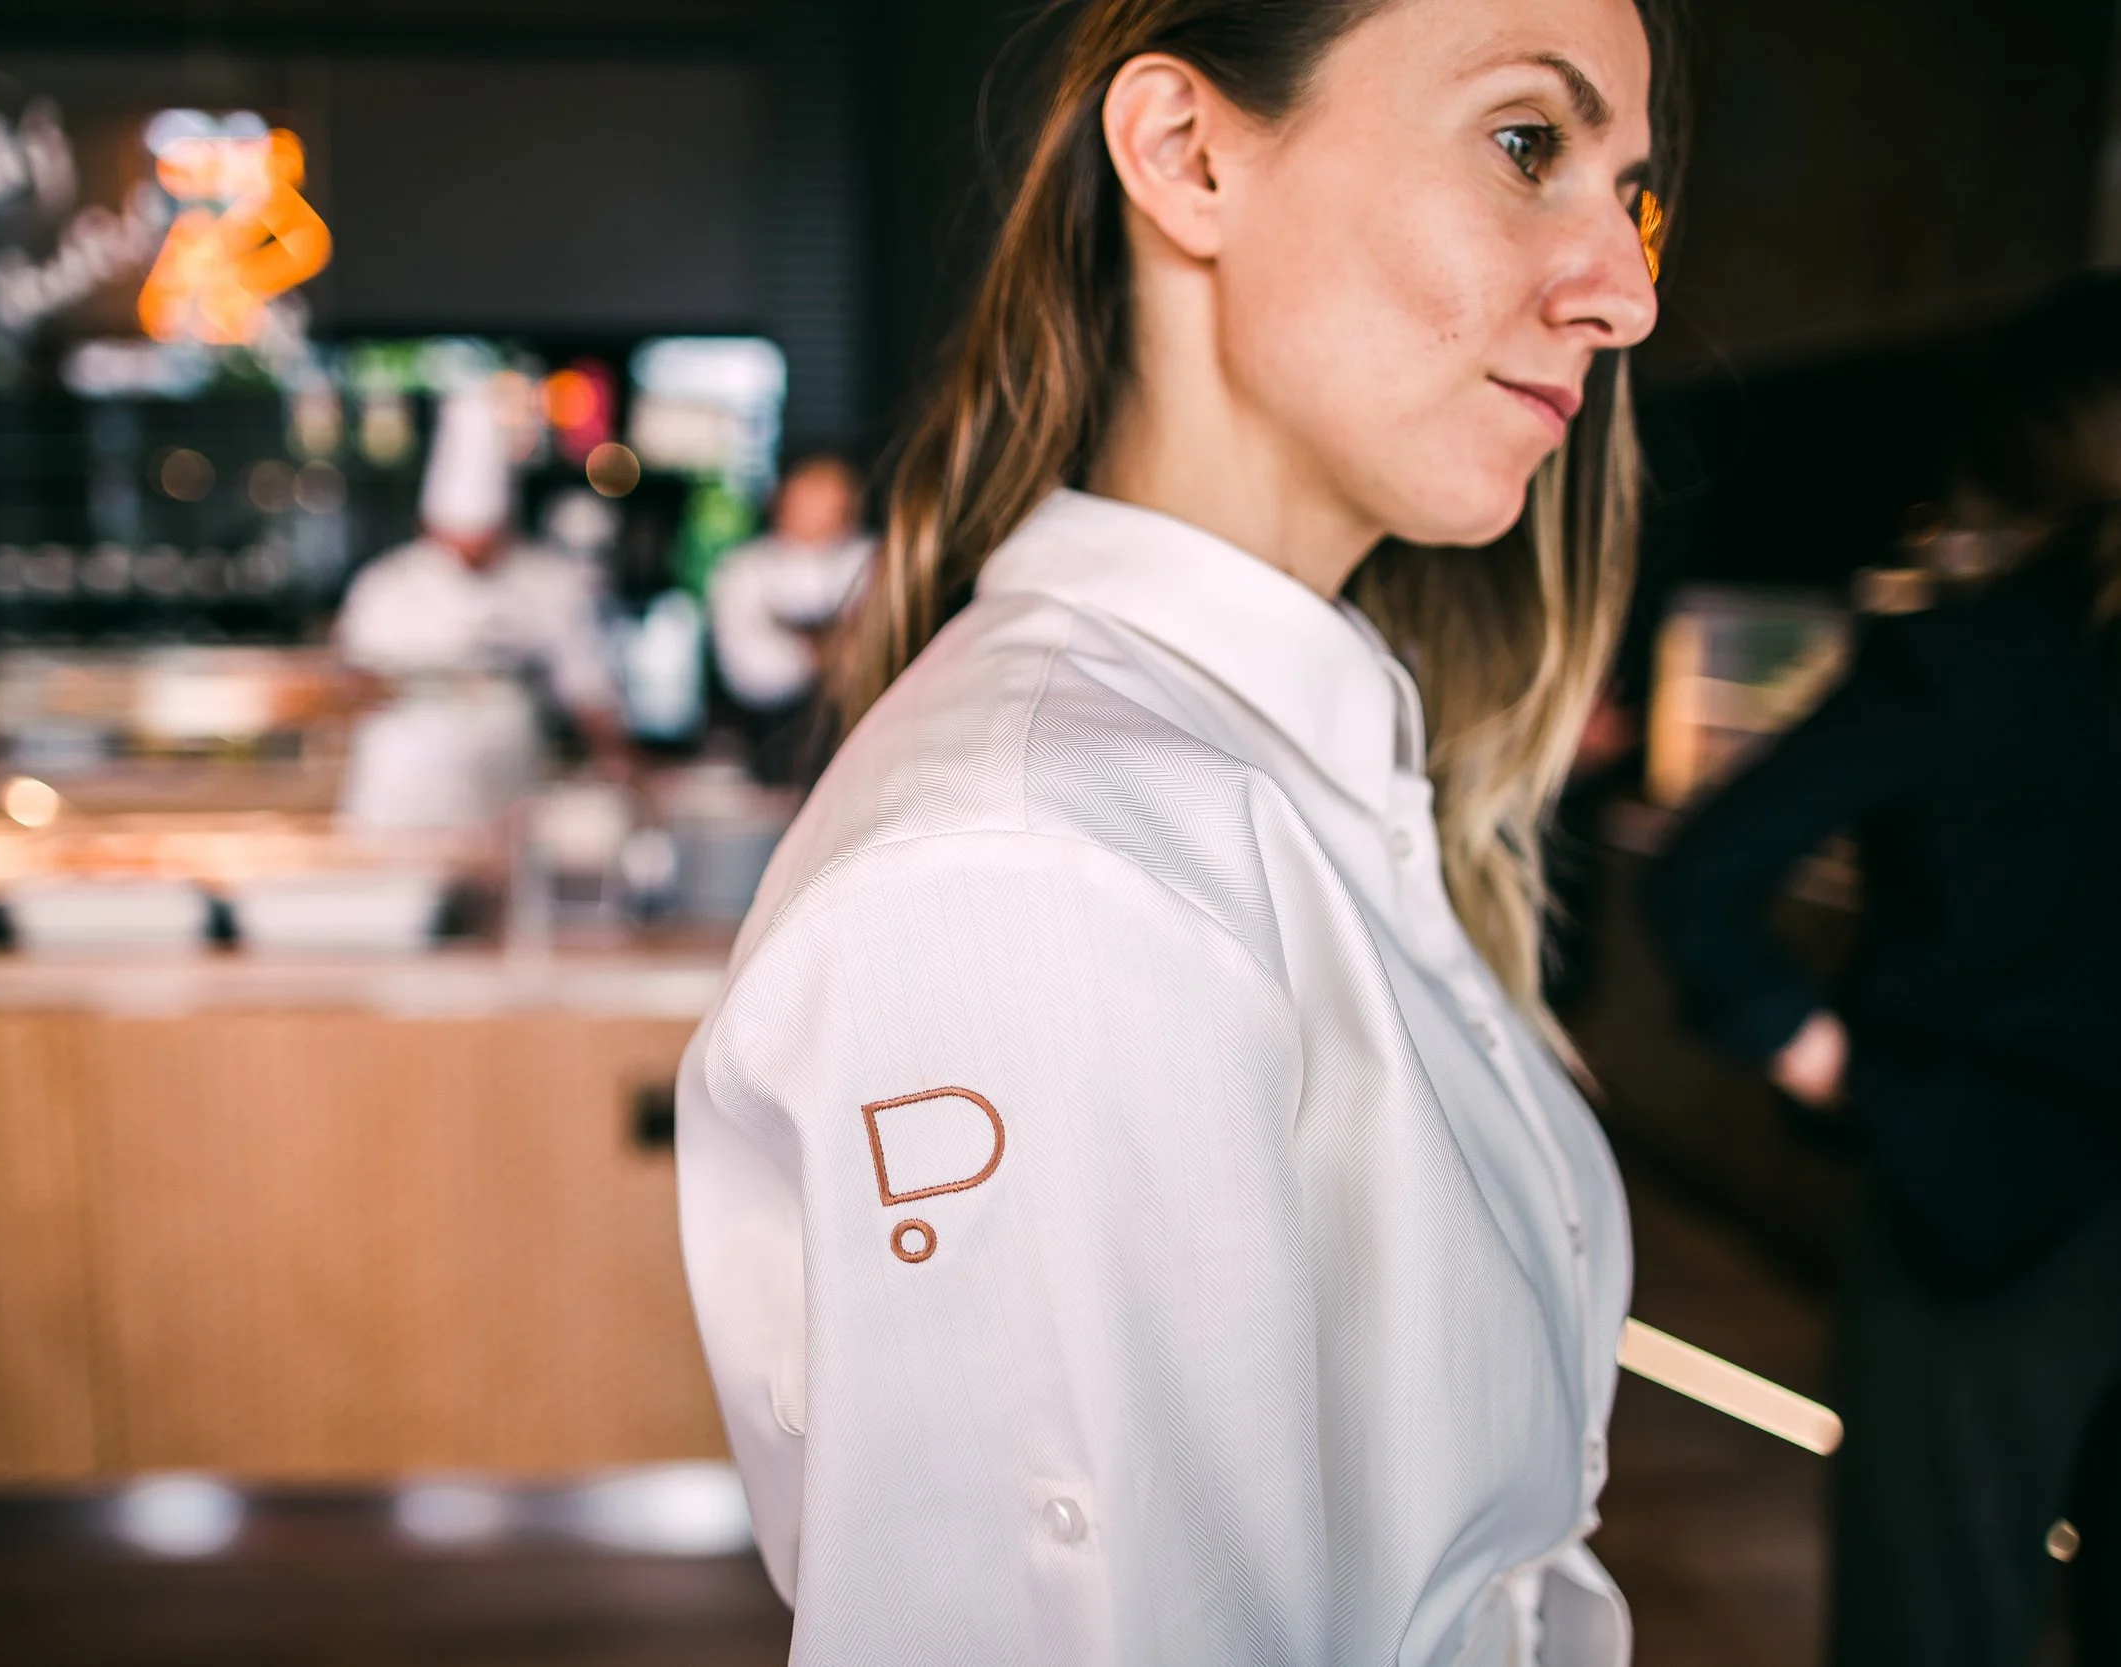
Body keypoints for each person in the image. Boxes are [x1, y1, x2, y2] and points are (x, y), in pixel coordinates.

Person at [673, 0, 1676, 1659]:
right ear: (1189, 157)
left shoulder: (1283, 772)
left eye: (1624, 190)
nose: (1624, 289)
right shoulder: (1043, 872)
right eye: (1526, 145)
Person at [1647, 277, 2121, 1667]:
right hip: (2015, 1196)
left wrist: (1835, 1061)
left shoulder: (1968, 654)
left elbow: (1707, 874)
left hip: (1983, 1203)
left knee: (1934, 1612)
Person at [333, 383, 625, 829]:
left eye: (484, 541)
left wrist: (622, 767)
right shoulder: (385, 587)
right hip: (401, 795)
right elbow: (347, 682)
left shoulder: (546, 585)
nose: (471, 556)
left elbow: (588, 692)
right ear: (428, 525)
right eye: (457, 540)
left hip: (507, 794)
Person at [704, 454, 873, 781]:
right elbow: (750, 670)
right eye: (811, 491)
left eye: (832, 491)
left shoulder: (873, 561)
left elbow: (881, 652)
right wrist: (832, 648)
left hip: (863, 746)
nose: (821, 503)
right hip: (771, 745)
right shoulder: (744, 570)